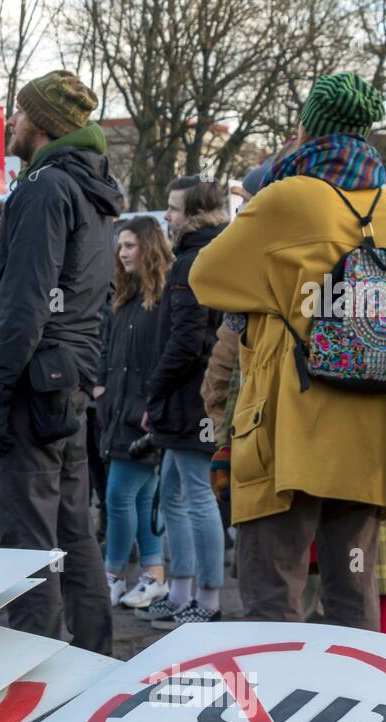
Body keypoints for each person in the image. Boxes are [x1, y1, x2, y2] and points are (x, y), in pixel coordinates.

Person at [189, 72, 386, 631]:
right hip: (367, 417)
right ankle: (359, 705)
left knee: (273, 586)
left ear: (308, 126)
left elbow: (205, 278)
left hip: (292, 415)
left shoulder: (287, 197)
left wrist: (273, 293)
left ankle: (283, 712)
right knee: (352, 589)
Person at [0, 70, 122, 653]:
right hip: (70, 380)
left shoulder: (43, 188)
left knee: (30, 546)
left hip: (32, 385)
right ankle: (93, 662)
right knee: (72, 533)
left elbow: (24, 306)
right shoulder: (93, 188)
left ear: (40, 123)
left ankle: (35, 681)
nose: (11, 121)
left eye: (17, 112)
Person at [139, 177, 228, 629]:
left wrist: (154, 388)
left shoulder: (194, 261)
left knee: (194, 495)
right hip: (193, 395)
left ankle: (208, 601)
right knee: (174, 492)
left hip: (192, 398)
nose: (167, 217)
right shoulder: (214, 255)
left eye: (173, 209)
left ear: (194, 215)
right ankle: (182, 592)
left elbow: (187, 338)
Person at [98, 216, 172, 609]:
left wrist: (151, 405)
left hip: (141, 417)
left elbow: (165, 359)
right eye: (120, 246)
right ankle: (152, 575)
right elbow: (109, 354)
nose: (123, 252)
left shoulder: (162, 303)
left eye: (130, 245)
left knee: (119, 496)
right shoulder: (124, 301)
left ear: (148, 247)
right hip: (119, 413)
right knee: (140, 499)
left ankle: (111, 575)